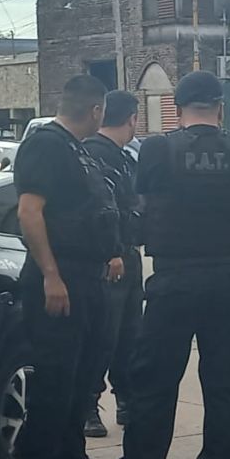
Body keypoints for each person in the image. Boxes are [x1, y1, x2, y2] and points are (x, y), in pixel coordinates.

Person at [102, 71, 230, 459]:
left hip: (174, 281)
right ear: (220, 105)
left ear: (176, 105)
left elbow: (144, 201)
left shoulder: (155, 150)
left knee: (154, 388)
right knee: (226, 388)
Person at [11, 75, 121, 459]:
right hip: (59, 280)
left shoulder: (78, 149)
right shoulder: (46, 144)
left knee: (81, 382)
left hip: (88, 278)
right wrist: (51, 276)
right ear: (96, 111)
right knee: (54, 384)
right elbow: (28, 212)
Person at [82, 90, 143, 438]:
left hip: (127, 255)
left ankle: (126, 400)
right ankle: (89, 405)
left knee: (129, 334)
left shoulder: (122, 157)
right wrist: (113, 252)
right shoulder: (96, 155)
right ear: (132, 118)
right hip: (111, 258)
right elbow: (100, 211)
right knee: (104, 334)